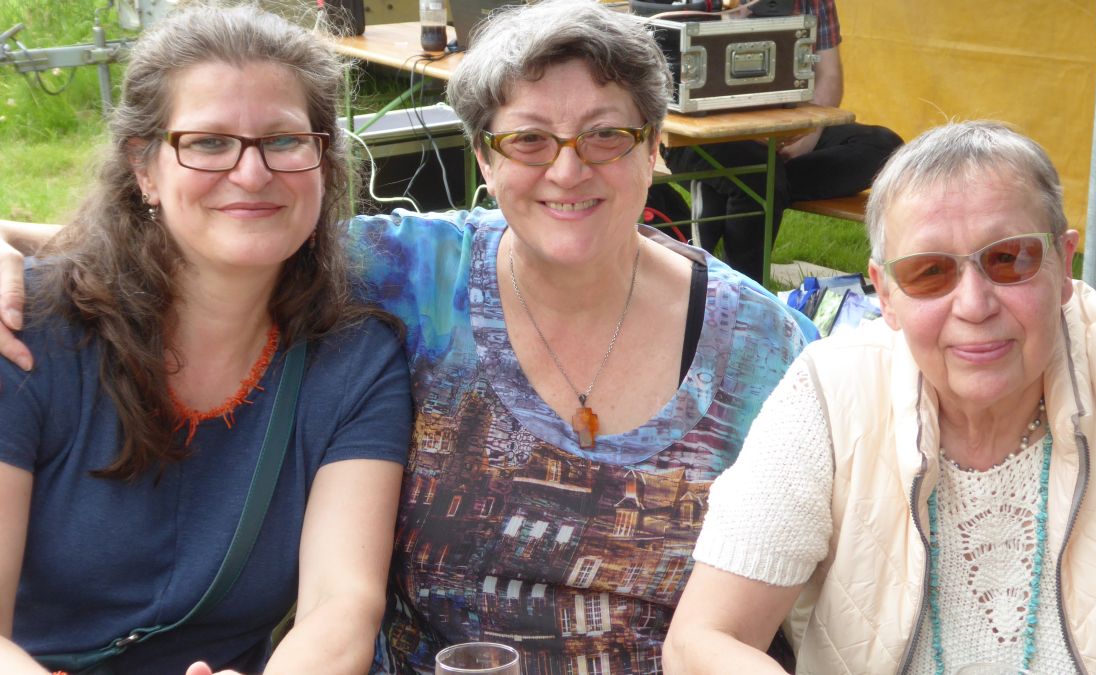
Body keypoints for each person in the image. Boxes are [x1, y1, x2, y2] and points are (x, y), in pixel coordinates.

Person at [0, 1, 816, 672]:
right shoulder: (416, 277)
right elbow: (226, 234)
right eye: (528, 138)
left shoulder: (762, 345)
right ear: (484, 160)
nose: (568, 168)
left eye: (607, 134)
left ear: (657, 146)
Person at [662, 120, 1096, 673]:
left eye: (1009, 258)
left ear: (1063, 264)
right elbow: (701, 639)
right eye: (929, 272)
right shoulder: (830, 391)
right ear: (885, 294)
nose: (974, 305)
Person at [0, 4, 411, 674]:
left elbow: (340, 607)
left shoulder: (354, 361)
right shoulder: (27, 331)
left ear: (324, 162)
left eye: (284, 140)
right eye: (209, 142)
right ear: (145, 169)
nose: (252, 173)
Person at [659, 0, 904, 284]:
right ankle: (742, 286)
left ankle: (736, 186)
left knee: (884, 148)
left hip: (786, 127)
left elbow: (829, 76)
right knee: (758, 172)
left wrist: (804, 136)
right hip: (699, 131)